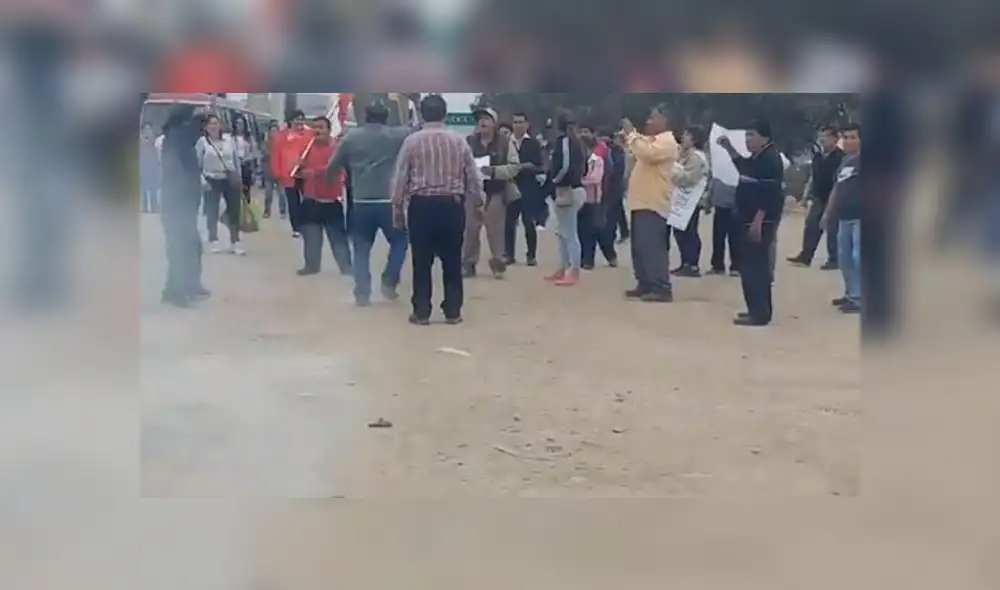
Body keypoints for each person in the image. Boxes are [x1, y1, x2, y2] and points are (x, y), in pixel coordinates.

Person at [391, 94, 484, 325]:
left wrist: (397, 208)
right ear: (445, 114)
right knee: (452, 259)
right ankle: (453, 311)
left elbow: (400, 178)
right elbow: (473, 176)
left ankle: (422, 311)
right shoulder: (458, 141)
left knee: (421, 261)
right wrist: (478, 203)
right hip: (451, 205)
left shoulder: (412, 142)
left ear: (422, 114)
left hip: (421, 206)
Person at [327, 102, 411, 305]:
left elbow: (332, 168)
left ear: (365, 116)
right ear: (386, 117)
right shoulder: (398, 136)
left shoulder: (351, 138)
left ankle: (362, 293)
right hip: (388, 201)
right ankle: (389, 281)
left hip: (361, 201)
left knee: (361, 248)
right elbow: (417, 128)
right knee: (400, 242)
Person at [716, 119, 784, 326]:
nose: (748, 139)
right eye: (746, 135)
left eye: (752, 135)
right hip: (747, 217)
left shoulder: (770, 159)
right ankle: (755, 309)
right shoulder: (758, 157)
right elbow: (744, 168)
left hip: (759, 220)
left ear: (765, 137)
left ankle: (759, 314)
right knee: (750, 266)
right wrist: (728, 148)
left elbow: (770, 194)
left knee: (756, 268)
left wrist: (758, 221)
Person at [622, 105, 679, 302]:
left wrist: (631, 133)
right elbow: (639, 149)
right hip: (640, 202)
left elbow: (647, 153)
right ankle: (645, 282)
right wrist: (631, 138)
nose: (648, 122)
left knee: (652, 247)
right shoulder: (651, 141)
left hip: (653, 202)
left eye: (652, 118)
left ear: (664, 121)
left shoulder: (667, 142)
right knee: (639, 247)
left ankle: (661, 286)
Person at [462, 107, 521, 279]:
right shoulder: (469, 141)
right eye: (480, 119)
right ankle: (468, 263)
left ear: (494, 123)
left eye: (486, 118)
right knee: (470, 229)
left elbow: (514, 167)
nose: (482, 122)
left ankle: (497, 263)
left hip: (496, 191)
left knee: (495, 230)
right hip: (473, 193)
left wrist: (494, 171)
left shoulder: (505, 142)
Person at [159, 107, 209, 307]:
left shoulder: (179, 141)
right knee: (181, 247)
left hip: (182, 203)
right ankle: (175, 291)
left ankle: (188, 285)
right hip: (177, 203)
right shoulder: (175, 140)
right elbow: (175, 174)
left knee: (190, 246)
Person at [293, 116, 353, 276]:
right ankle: (312, 265)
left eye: (321, 127)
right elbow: (298, 172)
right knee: (311, 236)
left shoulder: (337, 148)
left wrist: (314, 172)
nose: (317, 131)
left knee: (338, 237)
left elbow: (339, 171)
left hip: (331, 200)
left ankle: (346, 267)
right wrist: (297, 168)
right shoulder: (306, 149)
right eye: (315, 128)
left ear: (329, 130)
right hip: (311, 198)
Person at [788, 126, 844, 269]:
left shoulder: (841, 157)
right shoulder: (818, 157)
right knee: (811, 225)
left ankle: (834, 259)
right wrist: (806, 196)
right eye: (820, 136)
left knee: (832, 229)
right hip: (819, 197)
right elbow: (813, 178)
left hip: (835, 197)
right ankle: (806, 256)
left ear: (835, 139)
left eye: (825, 136)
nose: (822, 139)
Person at [821, 123, 862, 314]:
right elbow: (836, 190)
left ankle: (859, 297)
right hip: (844, 217)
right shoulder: (845, 163)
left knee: (858, 257)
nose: (848, 141)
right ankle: (850, 293)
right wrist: (828, 213)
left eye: (853, 137)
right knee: (844, 258)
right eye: (845, 137)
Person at [545, 110, 587, 286]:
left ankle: (573, 270)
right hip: (572, 188)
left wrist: (554, 181)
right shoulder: (577, 142)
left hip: (567, 189)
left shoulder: (565, 142)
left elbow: (565, 166)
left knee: (569, 232)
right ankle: (563, 267)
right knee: (563, 232)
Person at [196, 114, 245, 255]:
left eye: (216, 123)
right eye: (210, 123)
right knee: (212, 210)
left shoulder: (229, 141)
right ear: (205, 127)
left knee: (234, 210)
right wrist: (202, 181)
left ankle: (235, 240)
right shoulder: (202, 142)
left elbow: (236, 161)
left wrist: (238, 177)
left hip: (229, 177)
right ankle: (213, 239)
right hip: (211, 178)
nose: (214, 126)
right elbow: (197, 164)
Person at [504, 112, 545, 266]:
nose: (518, 125)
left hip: (528, 186)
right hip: (511, 185)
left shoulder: (533, 143)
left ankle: (531, 255)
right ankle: (508, 254)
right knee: (509, 222)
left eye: (521, 122)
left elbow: (539, 165)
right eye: (515, 122)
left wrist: (522, 166)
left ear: (527, 124)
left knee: (529, 221)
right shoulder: (506, 142)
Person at [670, 125, 710, 277]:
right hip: (682, 200)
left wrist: (673, 172)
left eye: (687, 135)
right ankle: (685, 262)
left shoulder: (696, 157)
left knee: (689, 231)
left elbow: (689, 178)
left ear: (695, 139)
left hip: (691, 200)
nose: (683, 137)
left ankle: (692, 264)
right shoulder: (685, 154)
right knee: (679, 230)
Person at [578, 123, 618, 269]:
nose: (583, 134)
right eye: (581, 131)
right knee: (583, 228)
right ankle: (586, 258)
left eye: (586, 131)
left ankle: (609, 255)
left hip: (599, 194)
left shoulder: (601, 151)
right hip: (582, 194)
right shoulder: (578, 148)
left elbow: (610, 171)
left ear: (594, 133)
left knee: (598, 228)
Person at [270, 110, 315, 237]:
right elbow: (276, 155)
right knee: (293, 202)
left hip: (305, 173)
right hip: (289, 174)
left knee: (307, 200)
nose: (299, 122)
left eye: (301, 119)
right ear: (290, 121)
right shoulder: (281, 136)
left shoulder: (310, 134)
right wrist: (277, 173)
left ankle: (306, 223)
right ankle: (296, 227)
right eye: (296, 119)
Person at [599, 127, 628, 248]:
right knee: (617, 209)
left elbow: (617, 170)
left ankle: (611, 237)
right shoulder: (608, 150)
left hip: (614, 186)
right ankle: (624, 231)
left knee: (612, 213)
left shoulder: (617, 151)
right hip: (613, 186)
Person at [261, 120, 285, 219]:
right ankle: (267, 211)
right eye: (272, 131)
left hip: (280, 172)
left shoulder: (282, 143)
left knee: (282, 194)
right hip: (269, 172)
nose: (274, 133)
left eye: (276, 131)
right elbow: (264, 154)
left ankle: (282, 211)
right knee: (268, 194)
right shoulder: (266, 143)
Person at [232, 116, 257, 204]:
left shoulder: (249, 137)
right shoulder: (232, 137)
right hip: (234, 166)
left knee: (246, 189)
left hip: (246, 166)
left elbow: (254, 152)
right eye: (238, 123)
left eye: (241, 123)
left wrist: (246, 159)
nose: (240, 126)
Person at [140, 122, 160, 213]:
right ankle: (144, 207)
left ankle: (154, 207)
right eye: (146, 129)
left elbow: (156, 153)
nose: (148, 131)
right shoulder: (141, 140)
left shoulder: (154, 140)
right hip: (143, 167)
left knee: (153, 188)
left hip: (152, 166)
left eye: (149, 129)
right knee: (143, 188)